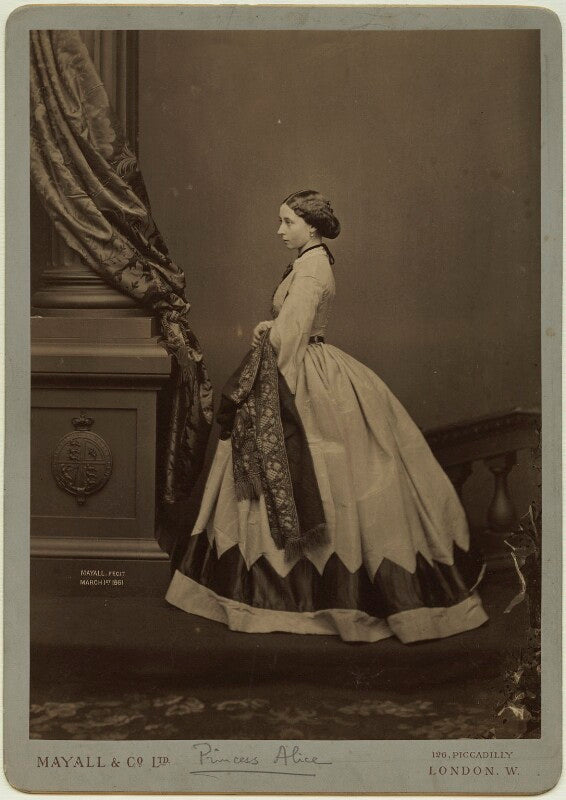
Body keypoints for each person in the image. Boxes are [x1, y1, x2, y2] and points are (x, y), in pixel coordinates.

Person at [166, 190, 488, 643]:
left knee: (309, 462)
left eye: (288, 222)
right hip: (311, 361)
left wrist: (268, 387)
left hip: (301, 371)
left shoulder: (312, 267)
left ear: (311, 226)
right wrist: (270, 328)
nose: (280, 230)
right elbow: (291, 323)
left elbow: (292, 336)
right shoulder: (311, 262)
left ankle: (315, 593)